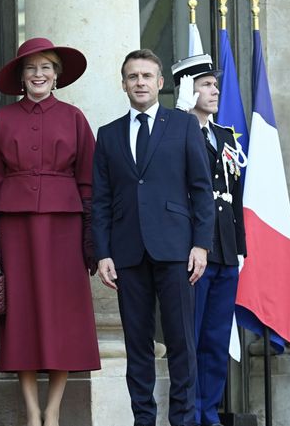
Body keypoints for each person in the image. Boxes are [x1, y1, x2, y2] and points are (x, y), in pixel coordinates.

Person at [0, 37, 100, 426]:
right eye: (31, 68)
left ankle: (54, 411)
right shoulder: (2, 120)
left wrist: (89, 239)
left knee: (63, 317)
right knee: (22, 317)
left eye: (46, 67)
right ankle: (32, 412)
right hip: (15, 229)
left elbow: (89, 183)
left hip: (65, 228)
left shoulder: (75, 117)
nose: (38, 74)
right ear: (21, 76)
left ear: (57, 75)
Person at [91, 49, 214, 426]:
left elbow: (201, 189)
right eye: (133, 76)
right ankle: (142, 420)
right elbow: (101, 200)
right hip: (127, 253)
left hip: (176, 249)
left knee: (181, 343)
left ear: (160, 83)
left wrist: (201, 244)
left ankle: (182, 420)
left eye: (147, 76)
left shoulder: (182, 126)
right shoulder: (108, 135)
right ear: (123, 83)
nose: (140, 82)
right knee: (137, 345)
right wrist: (103, 253)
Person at [171, 54, 247, 426]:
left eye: (215, 84)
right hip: (193, 250)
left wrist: (241, 247)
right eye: (205, 84)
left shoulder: (223, 135)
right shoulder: (176, 131)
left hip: (225, 250)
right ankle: (190, 414)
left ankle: (209, 412)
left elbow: (235, 195)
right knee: (191, 338)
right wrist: (182, 118)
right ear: (187, 88)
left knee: (215, 340)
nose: (215, 90)